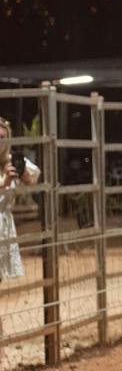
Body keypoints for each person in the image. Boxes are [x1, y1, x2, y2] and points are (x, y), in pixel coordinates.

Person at [1, 118, 42, 280]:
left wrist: (24, 175)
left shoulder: (10, 160)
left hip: (3, 224)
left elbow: (34, 177)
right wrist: (4, 183)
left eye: (3, 137)